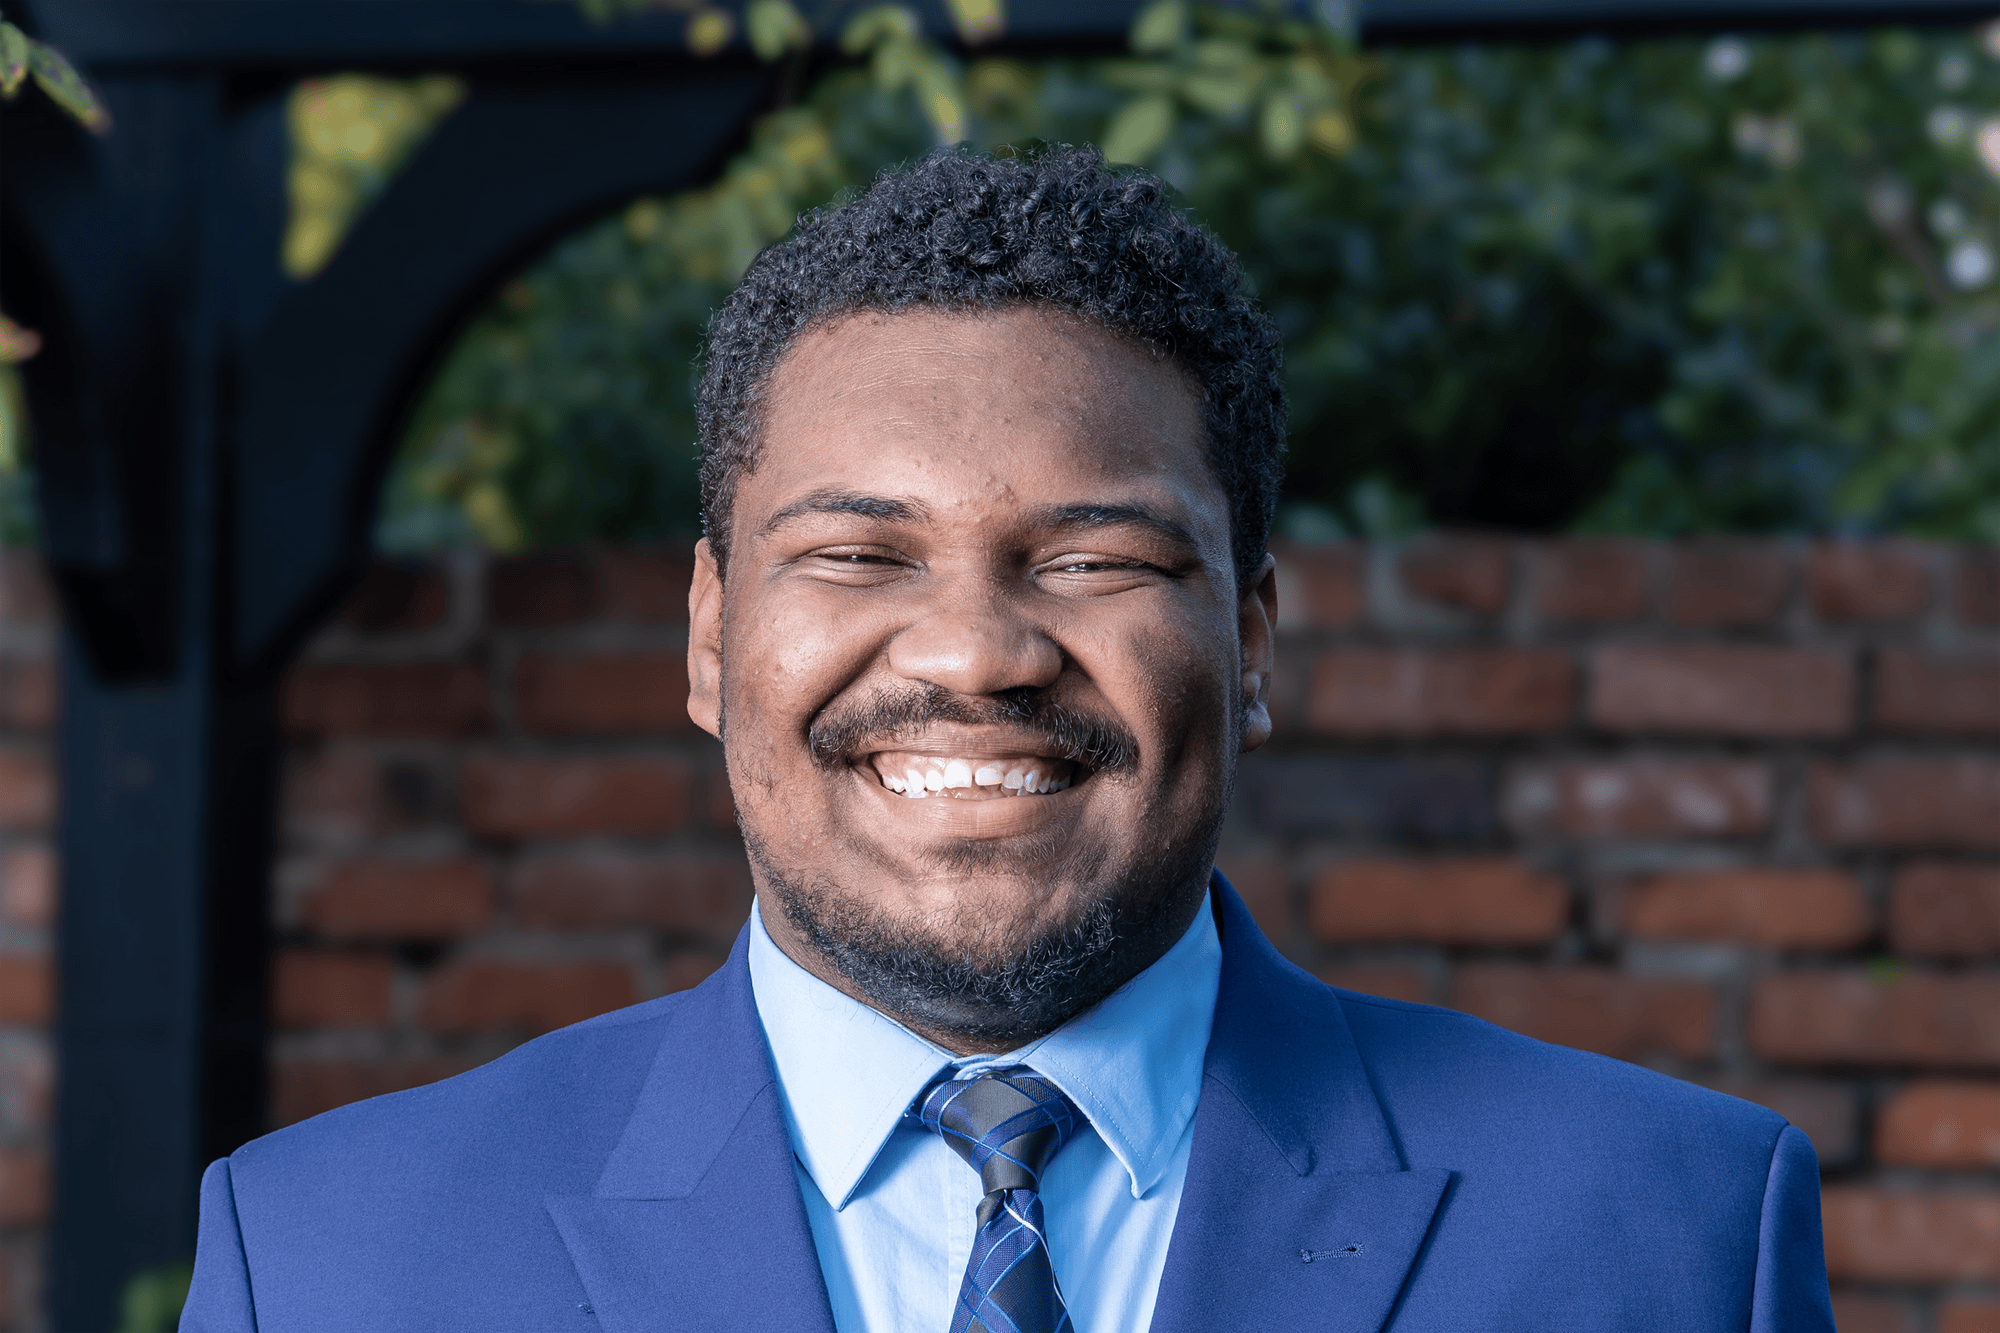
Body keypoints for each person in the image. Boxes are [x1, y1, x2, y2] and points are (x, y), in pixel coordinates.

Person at [182, 147, 1834, 1333]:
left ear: (1249, 639)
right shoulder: (328, 1259)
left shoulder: (1674, 1233)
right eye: (857, 553)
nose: (977, 651)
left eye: (1097, 558)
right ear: (707, 636)